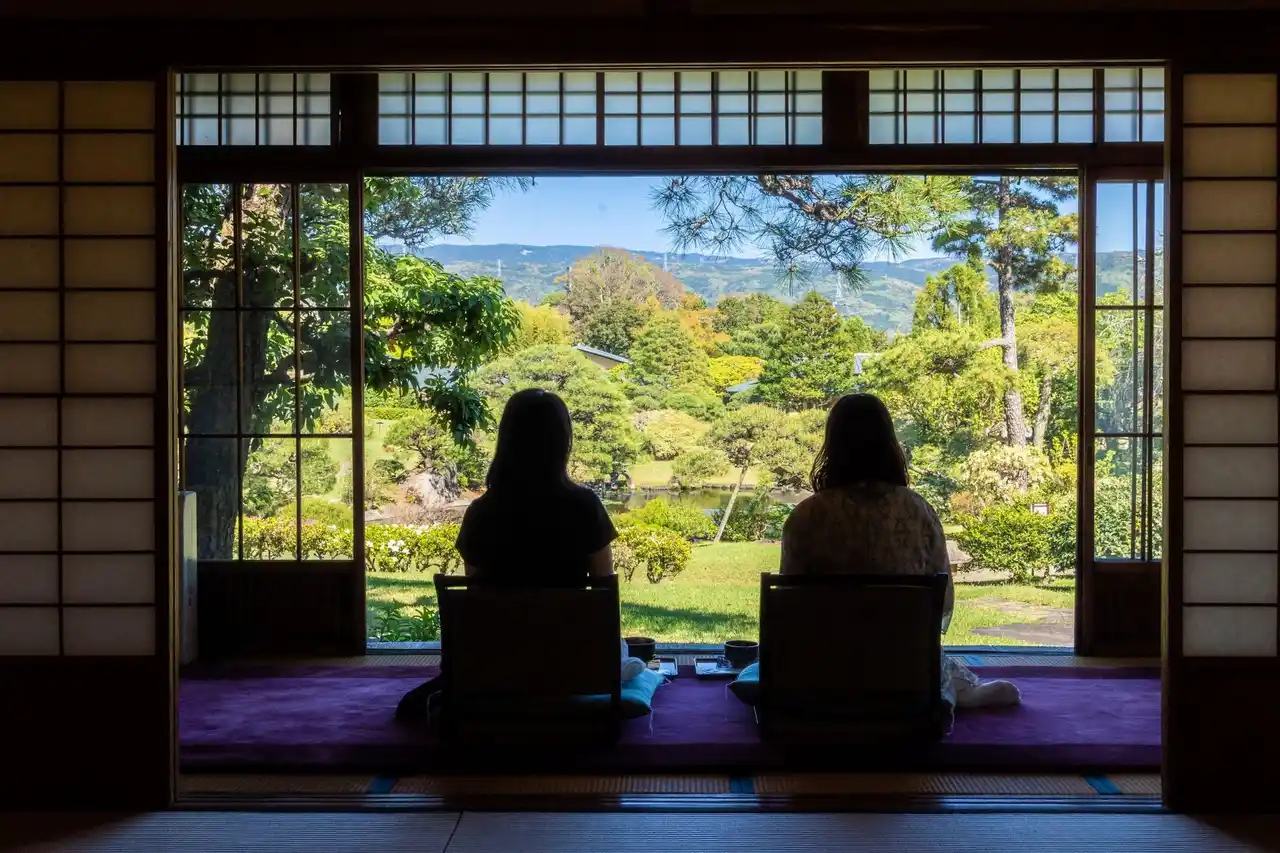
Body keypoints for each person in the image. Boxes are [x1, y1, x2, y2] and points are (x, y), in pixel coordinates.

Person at [396, 388, 643, 721]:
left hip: (495, 662)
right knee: (625, 652)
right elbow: (603, 589)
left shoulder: (481, 512)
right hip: (569, 663)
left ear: (506, 441)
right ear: (562, 442)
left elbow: (476, 591)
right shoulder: (584, 506)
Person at [780, 393, 1020, 710]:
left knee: (760, 671)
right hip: (905, 669)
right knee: (951, 673)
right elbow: (942, 600)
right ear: (889, 442)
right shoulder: (919, 512)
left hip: (823, 670)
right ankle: (953, 694)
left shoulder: (805, 516)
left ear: (832, 444)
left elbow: (790, 606)